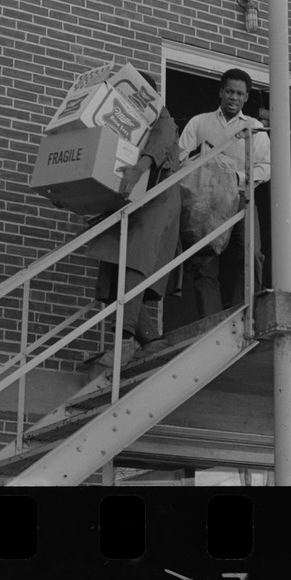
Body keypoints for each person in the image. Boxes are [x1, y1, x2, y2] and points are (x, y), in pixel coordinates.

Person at [85, 73, 181, 370]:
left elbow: (163, 140)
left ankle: (124, 341)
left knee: (133, 266)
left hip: (156, 204)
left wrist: (138, 168)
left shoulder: (162, 118)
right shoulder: (122, 122)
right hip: (129, 203)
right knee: (114, 269)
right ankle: (150, 339)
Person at [178, 68, 270, 317]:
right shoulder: (199, 122)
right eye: (229, 91)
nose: (233, 97)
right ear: (221, 91)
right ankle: (211, 318)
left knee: (252, 253)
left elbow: (266, 167)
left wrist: (234, 177)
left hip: (241, 197)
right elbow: (180, 158)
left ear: (246, 97)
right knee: (204, 260)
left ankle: (246, 311)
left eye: (239, 93)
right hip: (204, 202)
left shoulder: (255, 127)